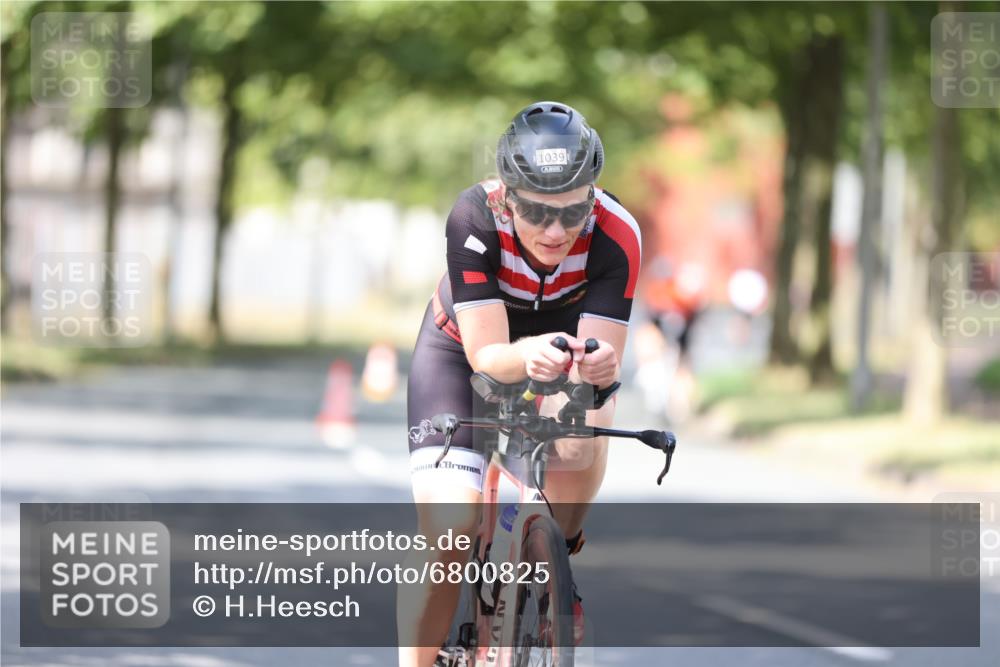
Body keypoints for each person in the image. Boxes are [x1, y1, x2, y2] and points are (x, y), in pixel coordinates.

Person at [399, 101, 641, 667]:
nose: (555, 231)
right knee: (451, 537)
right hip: (463, 351)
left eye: (573, 212)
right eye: (536, 213)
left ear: (593, 196)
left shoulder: (617, 234)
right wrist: (527, 354)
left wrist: (599, 370)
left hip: (554, 351)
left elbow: (601, 361)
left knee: (581, 442)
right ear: (508, 199)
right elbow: (486, 357)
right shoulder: (473, 217)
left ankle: (556, 559)